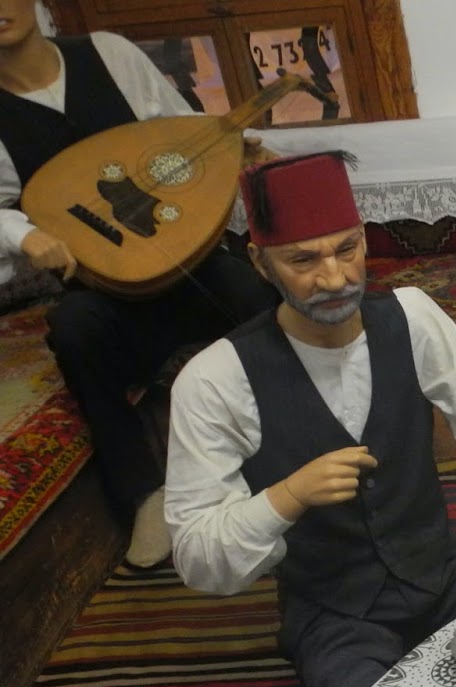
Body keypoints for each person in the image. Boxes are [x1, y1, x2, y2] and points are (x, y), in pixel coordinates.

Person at [166, 151, 456, 687]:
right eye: (303, 260)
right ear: (260, 263)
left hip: (446, 576)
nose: (335, 277)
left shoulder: (411, 317)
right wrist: (284, 498)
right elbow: (197, 558)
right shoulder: (214, 379)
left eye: (347, 249)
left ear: (364, 239)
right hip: (336, 613)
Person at [0, 0, 277, 565]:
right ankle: (148, 496)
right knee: (72, 327)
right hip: (104, 293)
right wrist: (20, 233)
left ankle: (282, 456)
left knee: (256, 296)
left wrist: (231, 151)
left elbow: (178, 143)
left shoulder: (109, 53)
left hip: (190, 263)